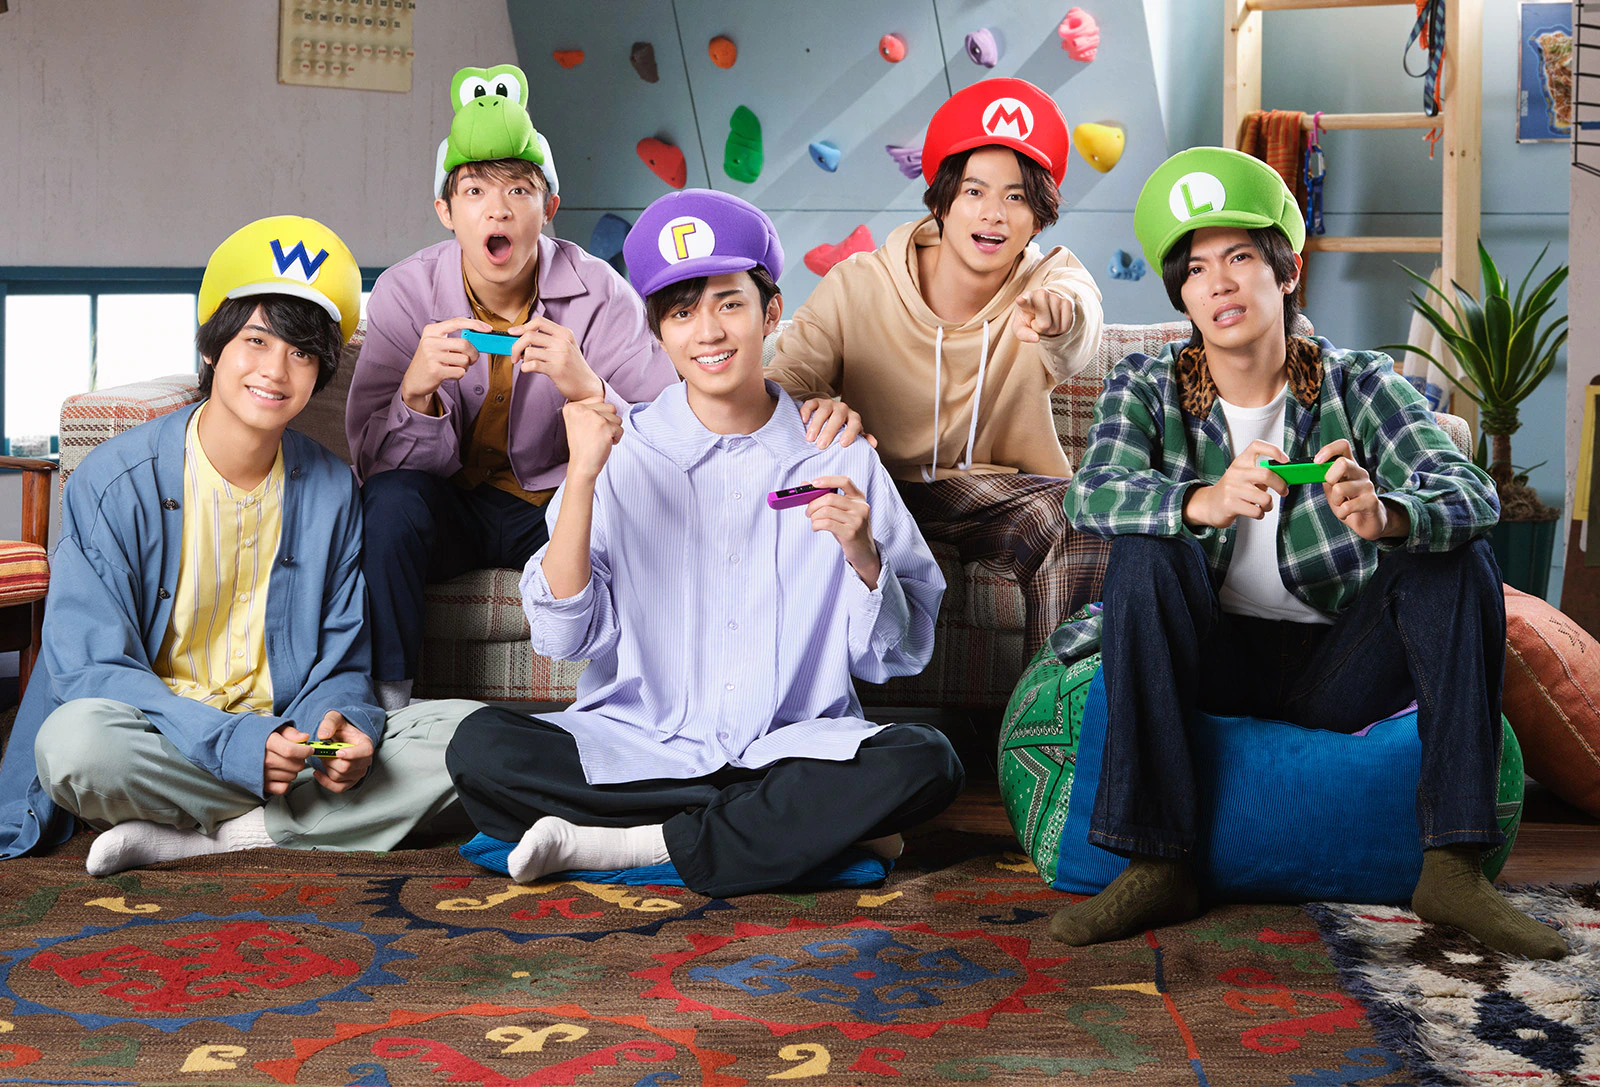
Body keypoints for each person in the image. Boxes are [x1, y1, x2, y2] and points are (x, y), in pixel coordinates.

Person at [1048, 147, 1566, 960]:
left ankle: (1454, 865)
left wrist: (1387, 514)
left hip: (1337, 666)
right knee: (1147, 555)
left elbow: (1472, 493)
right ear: (1181, 294)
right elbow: (1091, 495)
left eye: (1240, 258)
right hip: (1212, 658)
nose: (1219, 284)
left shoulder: (1359, 382)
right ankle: (1154, 862)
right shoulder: (1146, 384)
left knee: (1458, 557)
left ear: (1286, 271)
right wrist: (1202, 500)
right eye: (1196, 270)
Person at [444, 190, 965, 897]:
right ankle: (790, 832)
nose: (709, 332)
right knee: (481, 748)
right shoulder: (619, 449)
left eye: (729, 303)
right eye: (683, 313)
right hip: (644, 747)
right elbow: (563, 638)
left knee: (927, 759)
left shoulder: (836, 452)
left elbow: (896, 658)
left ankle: (626, 842)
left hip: (789, 750)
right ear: (659, 332)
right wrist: (585, 477)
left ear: (770, 314)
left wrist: (863, 554)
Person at [0, 216, 481, 874]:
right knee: (74, 745)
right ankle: (306, 817)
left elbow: (341, 664)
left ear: (319, 372)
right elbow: (91, 670)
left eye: (301, 353)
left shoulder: (333, 489)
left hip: (289, 741)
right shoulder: (114, 482)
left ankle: (209, 831)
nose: (275, 370)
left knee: (468, 737)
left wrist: (343, 724)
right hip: (166, 735)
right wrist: (234, 745)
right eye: (256, 340)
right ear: (212, 349)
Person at [345, 64, 677, 710]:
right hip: (449, 507)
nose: (497, 209)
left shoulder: (601, 291)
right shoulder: (404, 292)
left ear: (548, 208)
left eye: (519, 190)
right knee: (388, 503)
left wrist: (587, 385)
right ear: (445, 211)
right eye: (474, 191)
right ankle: (385, 704)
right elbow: (371, 464)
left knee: (640, 519)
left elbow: (669, 438)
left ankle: (639, 704)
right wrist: (415, 394)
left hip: (553, 510)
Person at [766, 77, 1106, 652]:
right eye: (974, 191)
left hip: (999, 490)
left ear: (1039, 217)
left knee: (1081, 518)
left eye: (1016, 197)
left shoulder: (1051, 279)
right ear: (942, 201)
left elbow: (1080, 325)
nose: (993, 214)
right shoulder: (859, 282)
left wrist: (1060, 317)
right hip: (878, 485)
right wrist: (813, 408)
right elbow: (786, 381)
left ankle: (1052, 707)